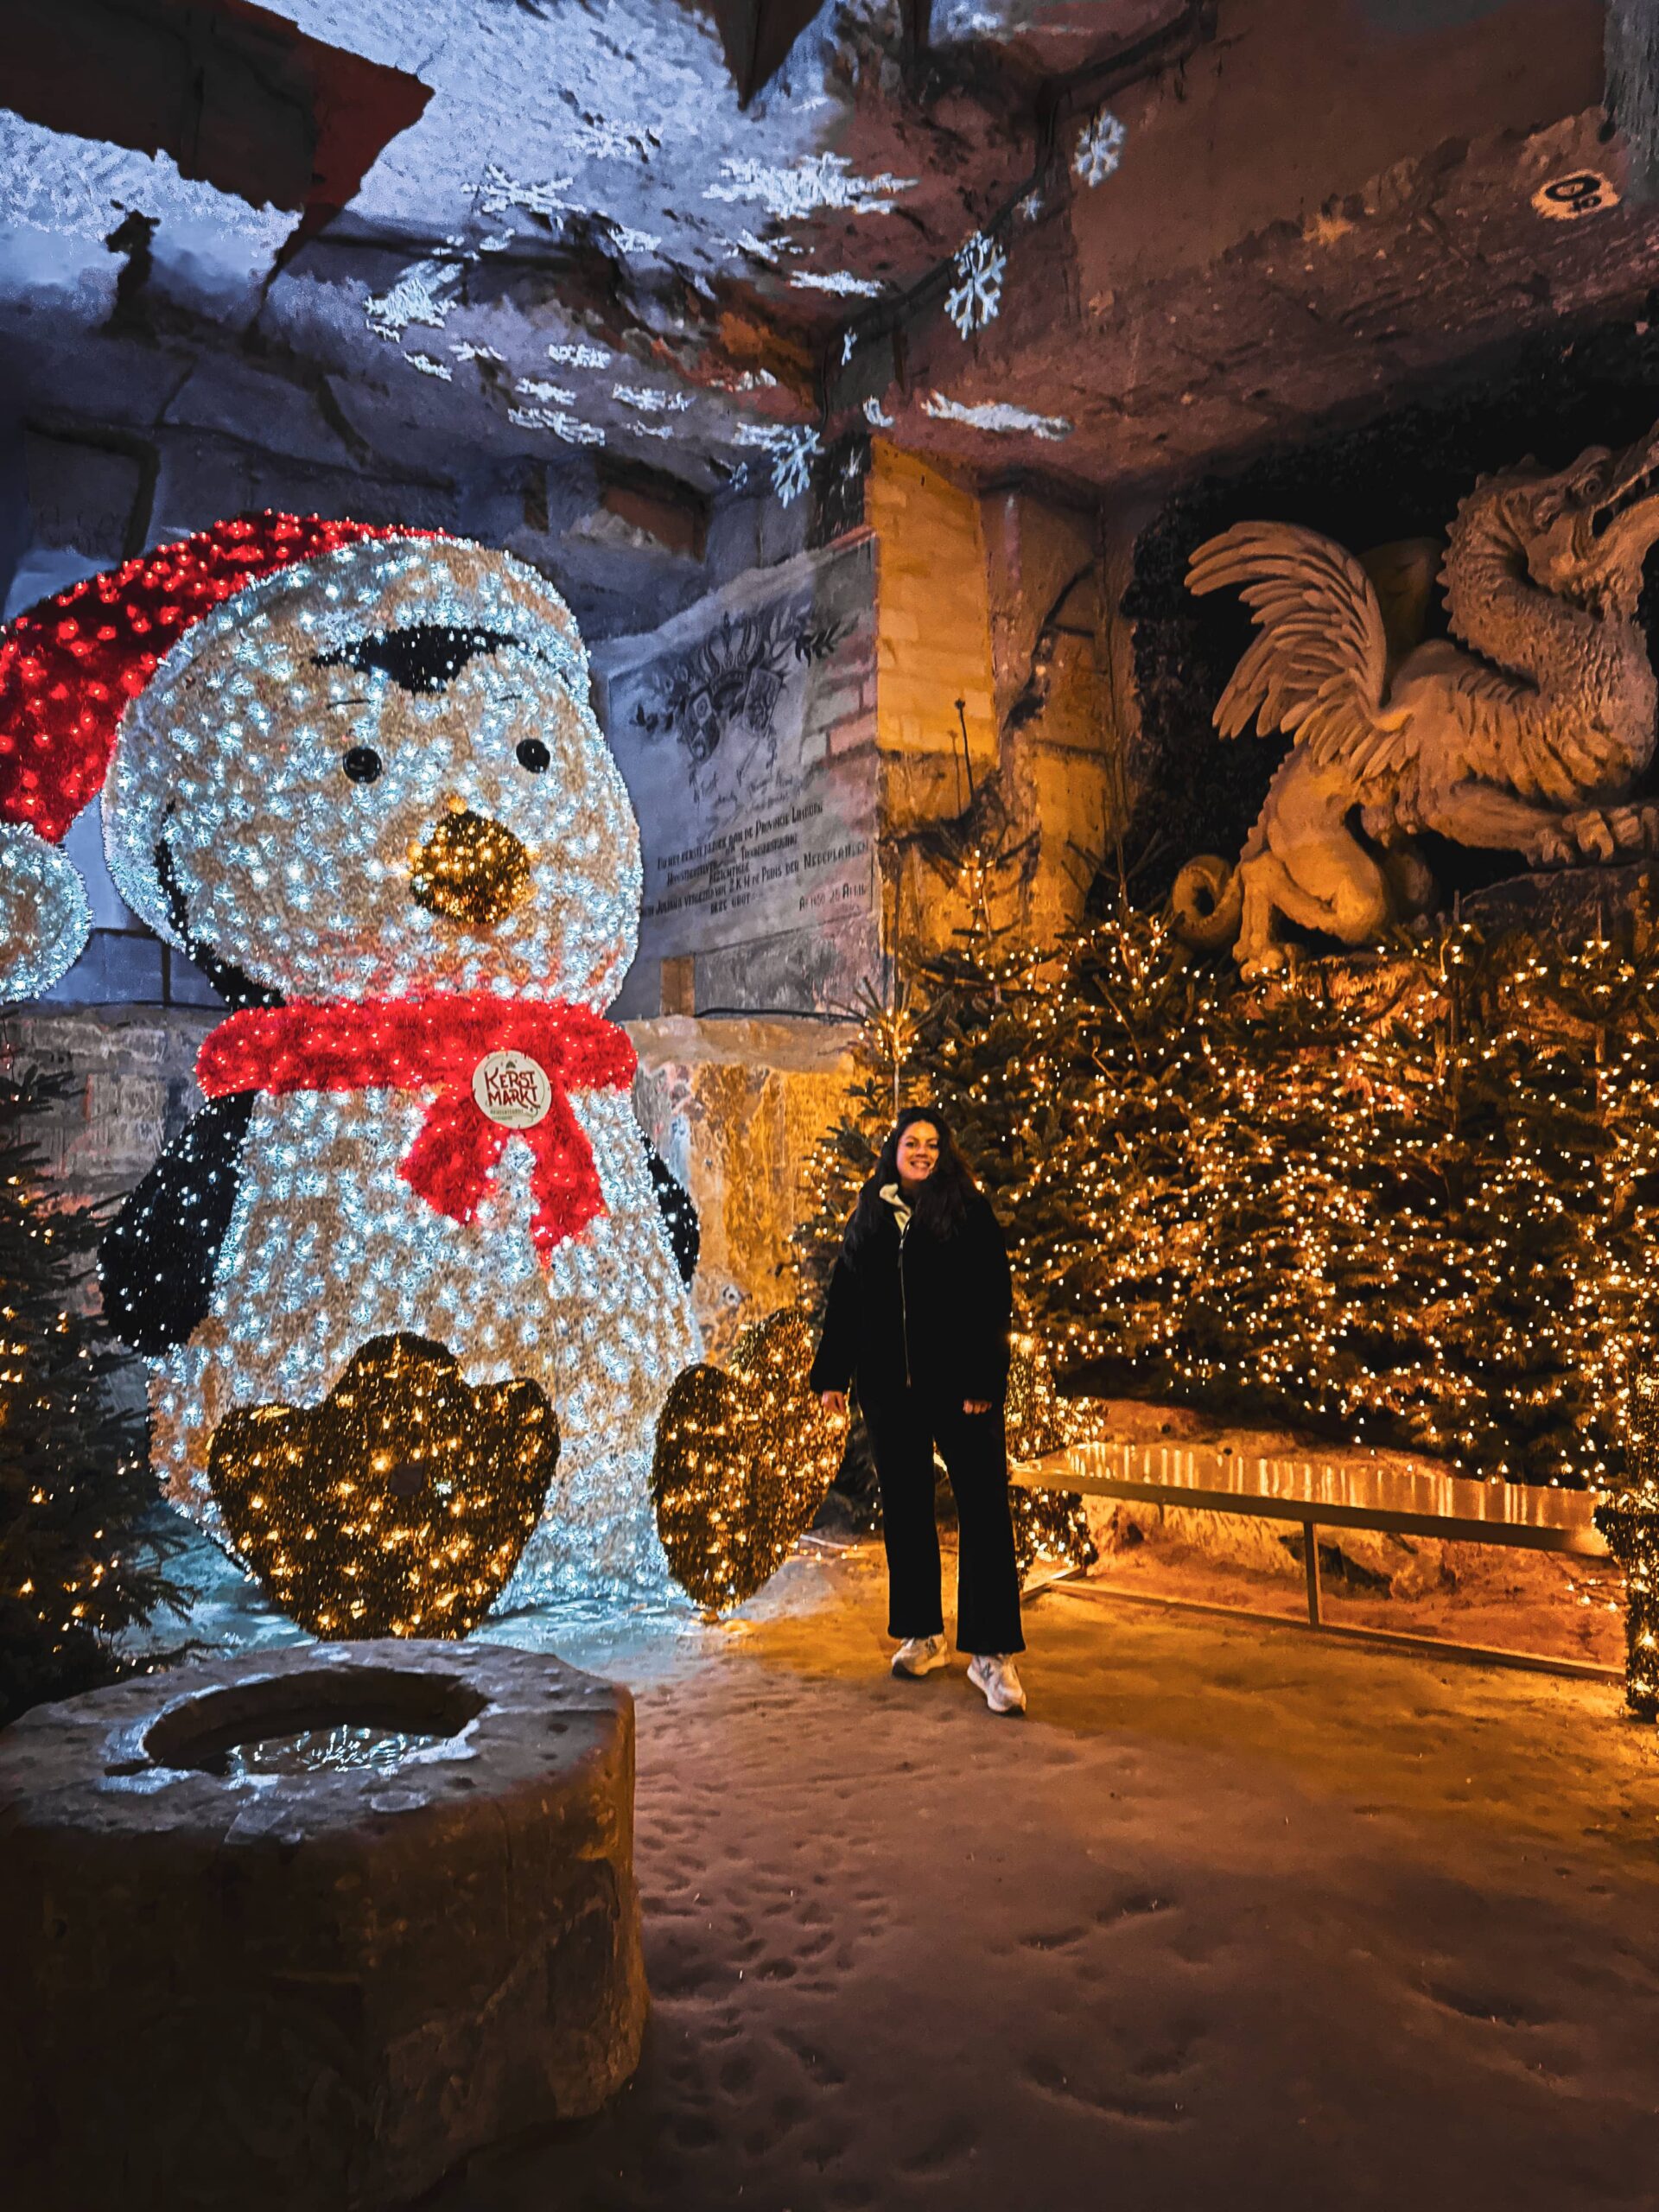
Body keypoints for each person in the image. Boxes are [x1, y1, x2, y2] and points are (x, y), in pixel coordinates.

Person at [810, 1105, 1027, 1715]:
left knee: (983, 1509)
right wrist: (833, 1374)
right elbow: (847, 1295)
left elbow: (992, 1299)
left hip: (962, 1388)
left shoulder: (966, 1209)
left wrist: (986, 1376)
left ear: (944, 1151)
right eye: (913, 1142)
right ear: (895, 1150)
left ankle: (991, 1653)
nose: (924, 1152)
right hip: (890, 1391)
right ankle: (922, 1632)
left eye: (933, 1143)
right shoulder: (872, 1212)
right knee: (906, 1511)